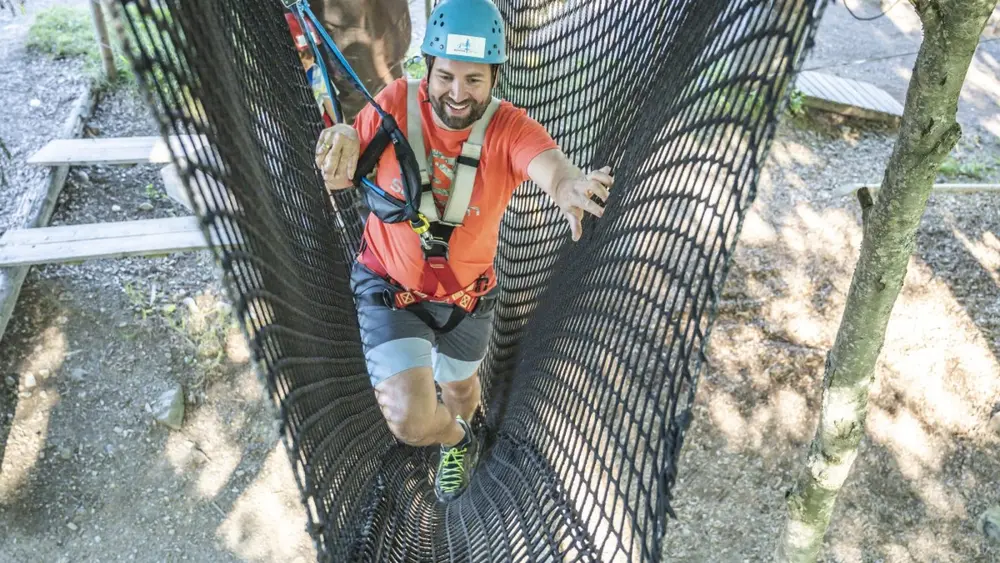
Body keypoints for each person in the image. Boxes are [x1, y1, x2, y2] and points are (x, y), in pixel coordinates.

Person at [313, 0, 614, 502]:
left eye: (474, 80)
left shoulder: (508, 128)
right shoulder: (393, 104)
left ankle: (460, 421)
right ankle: (456, 439)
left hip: (466, 297)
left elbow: (550, 165)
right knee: (410, 420)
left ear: (494, 78)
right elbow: (340, 176)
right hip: (388, 287)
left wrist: (568, 188)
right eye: (446, 76)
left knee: (461, 391)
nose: (458, 94)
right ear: (427, 67)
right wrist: (340, 139)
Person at [285, 12, 338, 126]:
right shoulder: (282, 79)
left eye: (309, 55)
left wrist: (342, 127)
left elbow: (332, 106)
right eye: (300, 56)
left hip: (318, 126)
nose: (306, 62)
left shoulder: (315, 73)